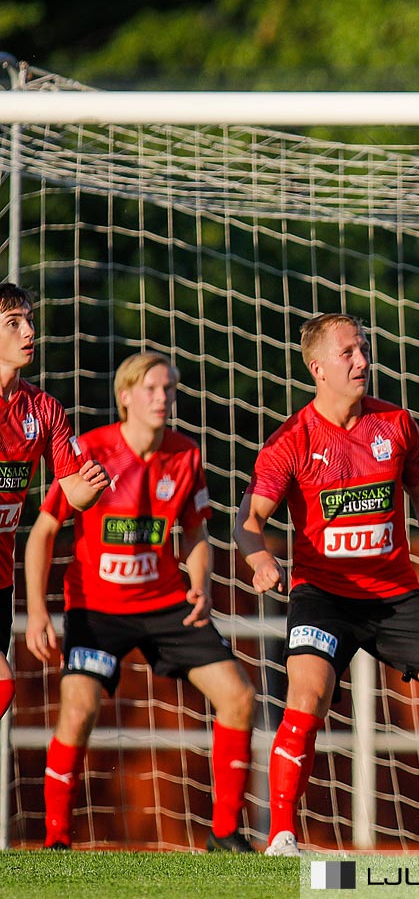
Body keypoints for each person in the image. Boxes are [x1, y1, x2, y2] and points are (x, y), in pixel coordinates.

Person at [233, 313, 419, 859]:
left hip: (394, 594)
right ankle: (282, 838)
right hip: (323, 596)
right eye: (348, 353)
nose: (362, 361)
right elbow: (249, 520)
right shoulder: (291, 440)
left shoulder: (395, 424)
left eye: (364, 350)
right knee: (306, 696)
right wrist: (258, 560)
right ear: (317, 367)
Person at [23, 352, 257, 852]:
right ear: (125, 396)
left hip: (166, 604)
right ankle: (56, 842)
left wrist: (202, 584)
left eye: (169, 389)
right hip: (96, 607)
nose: (162, 397)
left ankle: (225, 835)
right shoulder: (89, 450)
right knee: (79, 709)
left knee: (239, 697)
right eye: (152, 388)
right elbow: (43, 531)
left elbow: (196, 532)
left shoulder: (185, 454)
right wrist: (39, 611)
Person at [0, 283, 110, 735]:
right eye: (14, 323)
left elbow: (73, 490)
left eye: (30, 320)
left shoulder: (42, 409)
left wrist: (91, 487)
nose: (29, 331)